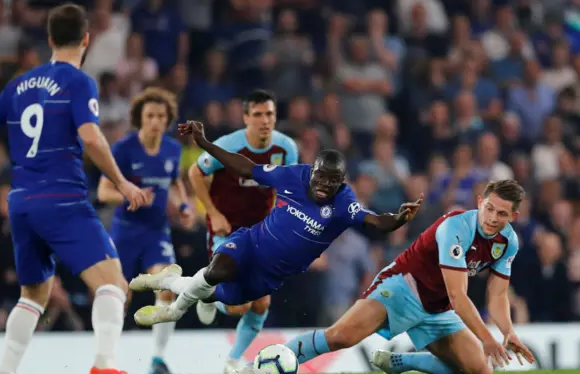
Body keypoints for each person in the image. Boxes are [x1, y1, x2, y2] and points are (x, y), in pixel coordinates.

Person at [0, 4, 153, 374]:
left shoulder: (19, 84)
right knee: (113, 284)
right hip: (63, 198)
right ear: (86, 40)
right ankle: (105, 362)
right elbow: (91, 137)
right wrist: (120, 181)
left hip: (21, 203)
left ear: (50, 40)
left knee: (33, 294)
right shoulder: (79, 81)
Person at [128, 121, 422, 348]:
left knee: (223, 298)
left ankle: (168, 281)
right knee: (218, 269)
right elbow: (244, 166)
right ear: (313, 170)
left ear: (342, 182)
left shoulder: (344, 201)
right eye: (320, 177)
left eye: (332, 182)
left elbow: (374, 222)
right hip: (250, 243)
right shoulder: (293, 175)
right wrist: (205, 142)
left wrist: (397, 218)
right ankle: (174, 311)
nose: (324, 185)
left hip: (269, 275)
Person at [236, 180, 536, 374]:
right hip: (403, 288)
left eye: (502, 214)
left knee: (480, 371)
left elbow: (498, 295)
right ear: (480, 201)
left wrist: (507, 331)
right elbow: (459, 296)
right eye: (489, 208)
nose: (493, 218)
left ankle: (399, 362)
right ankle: (257, 366)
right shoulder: (455, 227)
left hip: (437, 308)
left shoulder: (508, 241)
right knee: (341, 336)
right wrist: (487, 337)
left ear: (514, 216)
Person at [187, 89, 298, 374]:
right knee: (239, 305)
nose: (265, 120)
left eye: (270, 114)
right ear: (245, 117)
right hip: (226, 229)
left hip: (261, 233)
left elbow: (287, 187)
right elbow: (195, 173)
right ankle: (209, 294)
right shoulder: (228, 146)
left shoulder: (286, 149)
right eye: (258, 114)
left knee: (261, 302)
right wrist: (212, 213)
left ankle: (233, 360)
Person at [97, 87, 194, 374]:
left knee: (167, 284)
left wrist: (184, 205)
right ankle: (107, 359)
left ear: (167, 120)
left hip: (157, 231)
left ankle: (158, 359)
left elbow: (174, 182)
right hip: (126, 231)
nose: (155, 121)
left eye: (161, 116)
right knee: (119, 296)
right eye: (150, 115)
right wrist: (132, 195)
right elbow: (103, 192)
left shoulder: (172, 149)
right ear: (140, 118)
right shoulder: (123, 149)